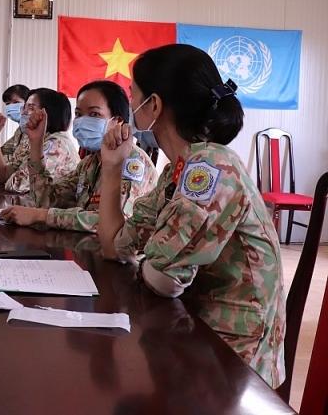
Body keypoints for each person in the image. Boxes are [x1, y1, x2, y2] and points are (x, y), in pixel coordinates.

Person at [97, 43, 285, 388]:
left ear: (153, 105)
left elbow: (165, 279)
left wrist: (151, 255)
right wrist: (112, 167)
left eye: (132, 94)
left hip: (233, 362)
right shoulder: (177, 171)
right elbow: (115, 247)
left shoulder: (213, 165)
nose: (129, 104)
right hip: (192, 338)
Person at [0, 80, 157, 231]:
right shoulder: (89, 163)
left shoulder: (133, 162)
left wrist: (43, 216)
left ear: (118, 121)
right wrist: (36, 144)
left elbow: (112, 223)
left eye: (94, 114)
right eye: (78, 114)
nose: (82, 121)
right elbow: (46, 200)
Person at [0, 88, 79, 194]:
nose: (23, 112)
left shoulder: (55, 145)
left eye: (30, 108)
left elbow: (16, 184)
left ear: (48, 114)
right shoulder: (39, 140)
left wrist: (14, 175)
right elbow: (2, 175)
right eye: (24, 107)